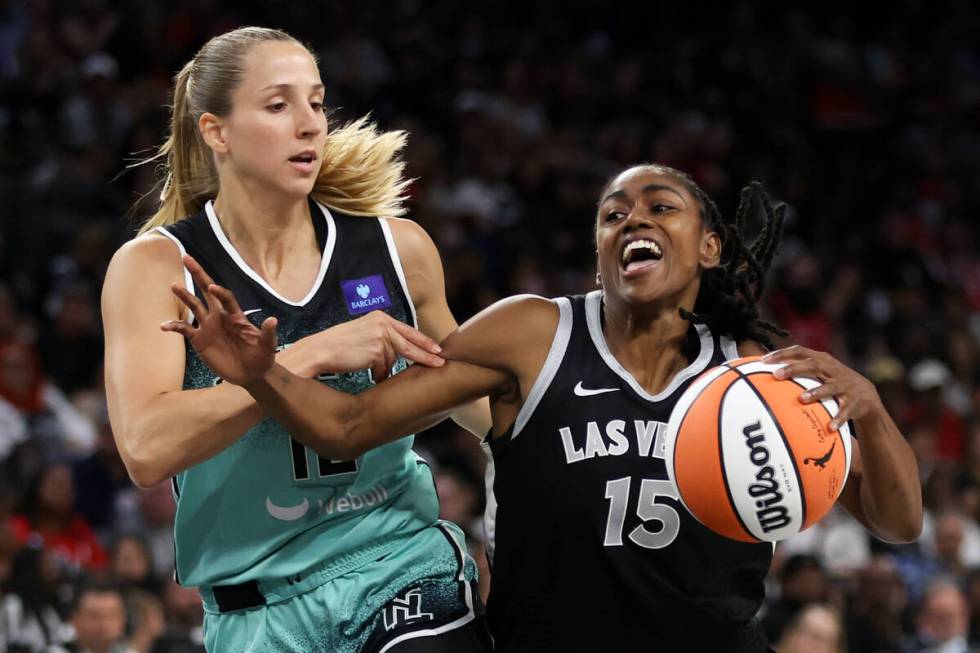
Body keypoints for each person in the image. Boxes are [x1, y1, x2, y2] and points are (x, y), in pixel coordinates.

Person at [169, 163, 923, 650]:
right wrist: (263, 374)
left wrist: (873, 414)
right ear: (599, 254)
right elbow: (349, 423)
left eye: (661, 206)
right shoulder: (532, 333)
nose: (633, 220)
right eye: (612, 214)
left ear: (712, 248)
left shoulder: (758, 378)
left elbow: (897, 520)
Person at [102, 26, 492, 652]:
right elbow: (147, 449)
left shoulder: (397, 249)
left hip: (397, 563)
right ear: (216, 132)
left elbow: (476, 394)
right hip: (255, 608)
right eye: (278, 105)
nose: (310, 124)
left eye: (316, 102)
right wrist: (303, 358)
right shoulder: (157, 267)